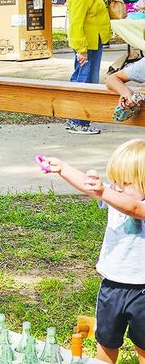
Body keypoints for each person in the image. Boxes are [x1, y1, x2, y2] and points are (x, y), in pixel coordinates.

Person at [37, 140, 145, 364]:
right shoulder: (112, 196)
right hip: (111, 285)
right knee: (105, 340)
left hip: (142, 290)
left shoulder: (136, 204)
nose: (117, 188)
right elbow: (91, 187)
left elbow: (134, 208)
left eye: (125, 183)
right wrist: (64, 169)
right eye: (114, 182)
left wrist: (105, 190)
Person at [65, 0, 110, 135]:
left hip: (95, 39)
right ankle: (78, 121)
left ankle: (76, 118)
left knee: (89, 80)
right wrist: (80, 48)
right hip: (86, 43)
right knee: (84, 80)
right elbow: (76, 21)